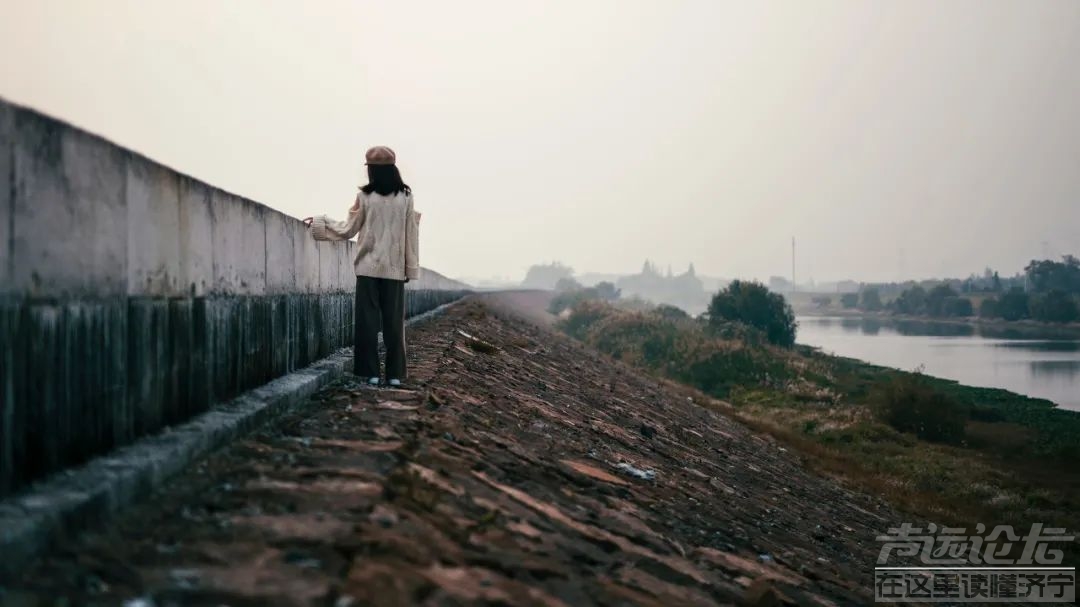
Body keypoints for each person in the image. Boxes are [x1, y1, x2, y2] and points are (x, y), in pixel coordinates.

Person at [303, 145, 420, 387]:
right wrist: (410, 268)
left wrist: (319, 222)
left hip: (367, 269)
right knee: (394, 325)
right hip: (395, 269)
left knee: (367, 324)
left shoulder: (365, 197)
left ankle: (371, 374)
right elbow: (412, 235)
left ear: (372, 171)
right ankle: (395, 375)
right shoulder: (406, 197)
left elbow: (348, 229)